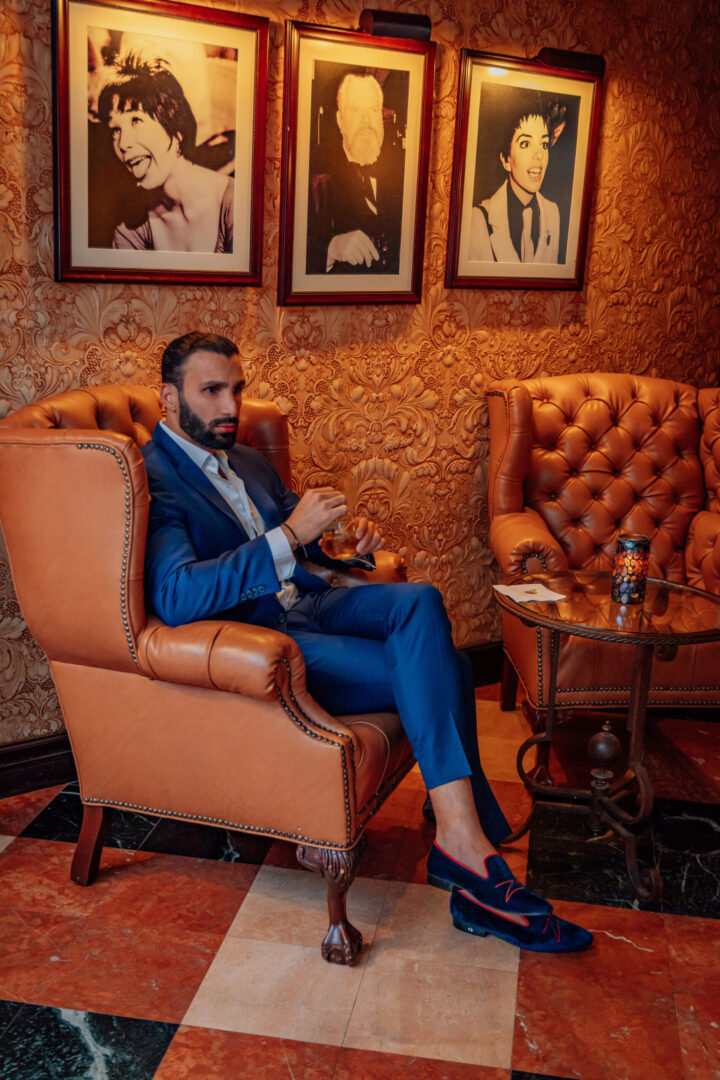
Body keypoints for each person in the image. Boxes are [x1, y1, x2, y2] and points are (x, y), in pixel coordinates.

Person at [141, 331, 592, 953]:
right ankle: (466, 837)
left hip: (312, 601)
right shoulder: (153, 476)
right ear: (169, 397)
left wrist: (337, 546)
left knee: (421, 601)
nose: (230, 406)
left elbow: (306, 543)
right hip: (265, 639)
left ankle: (458, 826)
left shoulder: (245, 460)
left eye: (236, 390)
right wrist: (287, 537)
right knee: (450, 668)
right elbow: (175, 594)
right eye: (211, 390)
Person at [96, 55, 233, 253]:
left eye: (136, 121)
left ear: (175, 129)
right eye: (115, 130)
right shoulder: (130, 230)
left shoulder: (235, 205)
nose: (123, 143)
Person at [306, 72, 404, 275]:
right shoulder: (313, 180)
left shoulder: (405, 175)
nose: (367, 122)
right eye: (356, 111)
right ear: (340, 120)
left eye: (373, 111)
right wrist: (332, 248)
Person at [469, 92, 564, 264]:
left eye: (543, 144)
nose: (539, 156)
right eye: (525, 144)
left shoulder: (553, 213)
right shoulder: (478, 219)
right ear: (506, 160)